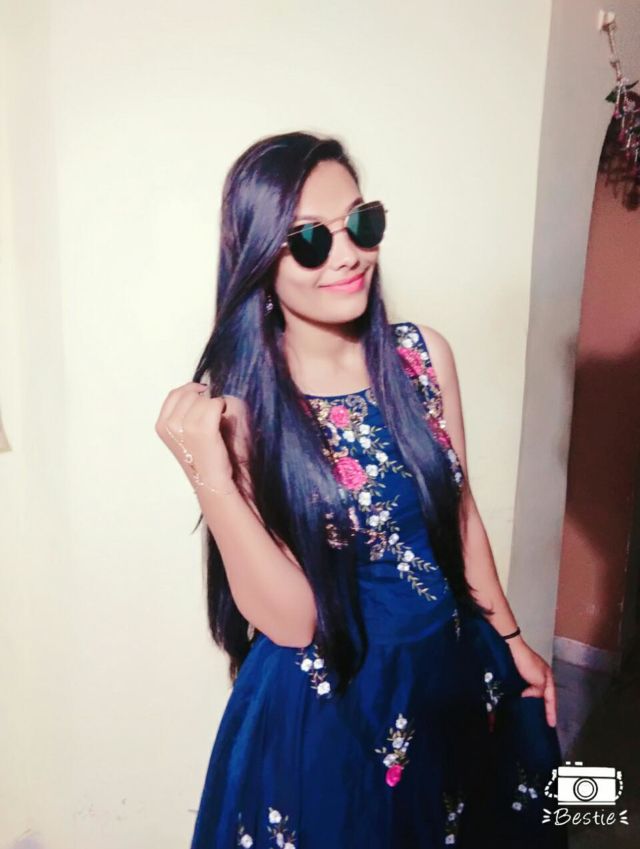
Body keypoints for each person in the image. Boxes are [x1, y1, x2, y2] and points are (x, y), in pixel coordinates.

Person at [155, 131, 569, 848]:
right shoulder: (244, 412)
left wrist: (511, 636)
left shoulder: (423, 355)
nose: (348, 254)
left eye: (362, 223)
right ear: (260, 259)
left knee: (543, 809)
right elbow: (294, 623)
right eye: (311, 239)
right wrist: (209, 478)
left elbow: (459, 514)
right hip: (336, 705)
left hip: (449, 668)